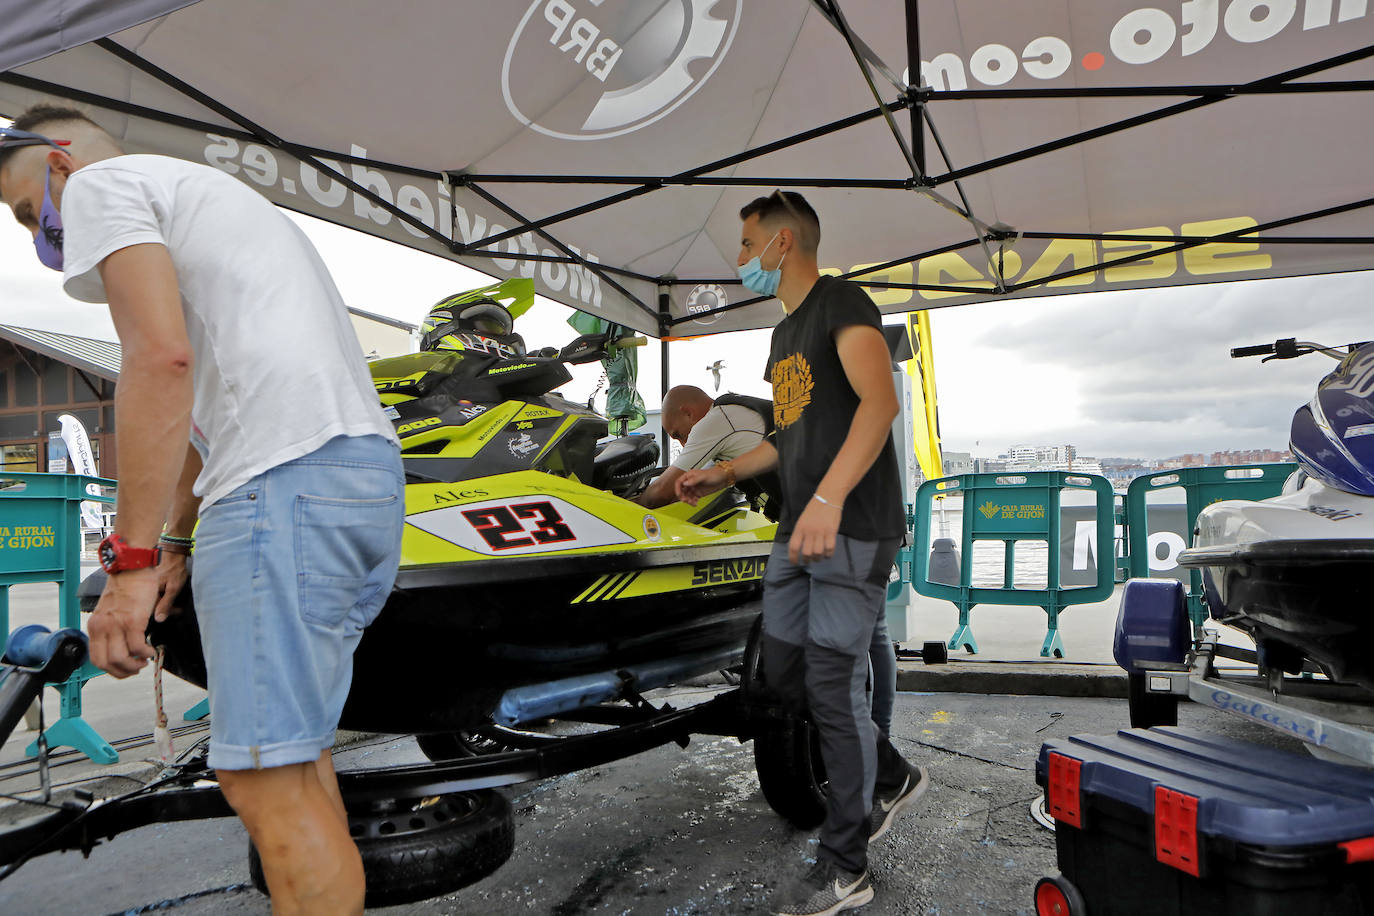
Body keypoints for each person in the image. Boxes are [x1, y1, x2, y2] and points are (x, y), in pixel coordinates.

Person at [0, 106, 403, 916]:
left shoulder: (103, 183)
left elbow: (158, 360)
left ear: (62, 158)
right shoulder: (211, 202)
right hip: (352, 477)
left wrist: (131, 564)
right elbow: (196, 406)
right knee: (296, 765)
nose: (36, 233)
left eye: (24, 209)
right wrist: (176, 540)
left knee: (265, 785)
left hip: (279, 485)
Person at [678, 190, 927, 916]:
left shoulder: (843, 303)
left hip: (851, 526)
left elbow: (878, 405)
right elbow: (789, 435)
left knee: (831, 682)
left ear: (784, 243)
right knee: (782, 676)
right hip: (799, 529)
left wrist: (827, 500)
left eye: (748, 244)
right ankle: (891, 775)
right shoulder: (784, 338)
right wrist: (721, 471)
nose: (742, 258)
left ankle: (846, 864)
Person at [635, 384, 771, 509]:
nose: (683, 445)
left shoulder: (715, 421)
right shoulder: (732, 417)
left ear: (688, 413)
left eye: (678, 435)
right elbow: (688, 489)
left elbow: (660, 493)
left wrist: (622, 508)